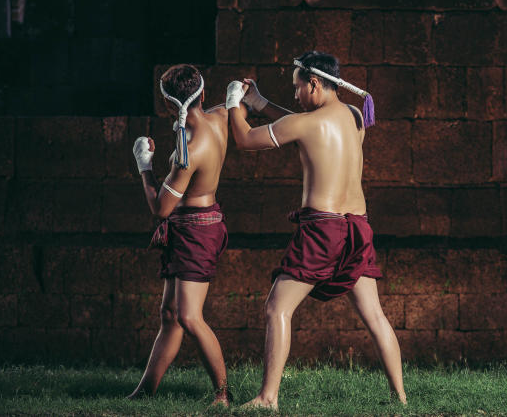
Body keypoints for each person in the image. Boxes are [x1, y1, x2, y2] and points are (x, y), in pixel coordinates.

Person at [226, 50, 406, 410]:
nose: (294, 95)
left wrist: (234, 102)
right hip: (358, 227)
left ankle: (267, 397)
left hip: (323, 230)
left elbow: (244, 140)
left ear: (315, 83)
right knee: (375, 316)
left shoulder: (306, 124)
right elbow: (304, 124)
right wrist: (261, 102)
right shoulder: (354, 115)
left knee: (277, 308)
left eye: (297, 88)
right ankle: (401, 399)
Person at [129, 64, 232, 406]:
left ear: (169, 106)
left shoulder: (189, 151)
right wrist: (241, 95)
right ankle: (145, 392)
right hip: (202, 223)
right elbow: (237, 107)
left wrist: (144, 166)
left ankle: (223, 393)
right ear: (203, 94)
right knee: (170, 315)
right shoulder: (221, 118)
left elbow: (161, 209)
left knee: (188, 316)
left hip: (194, 230)